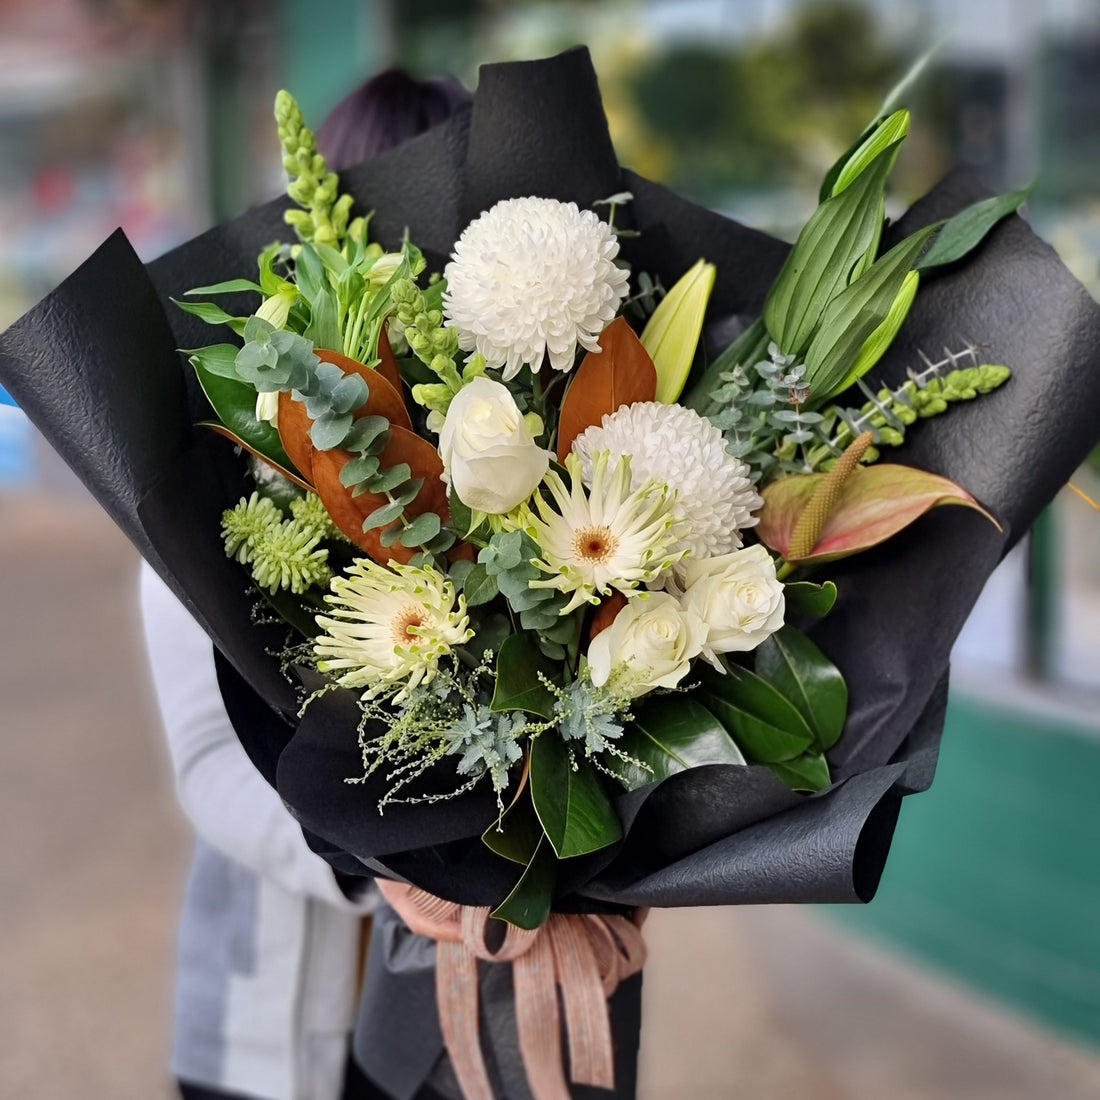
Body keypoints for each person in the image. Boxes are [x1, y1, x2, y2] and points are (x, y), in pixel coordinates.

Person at [141, 68, 472, 1100]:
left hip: (469, 1019)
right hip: (270, 1027)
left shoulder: (504, 441)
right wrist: (393, 867)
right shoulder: (222, 443)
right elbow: (206, 758)